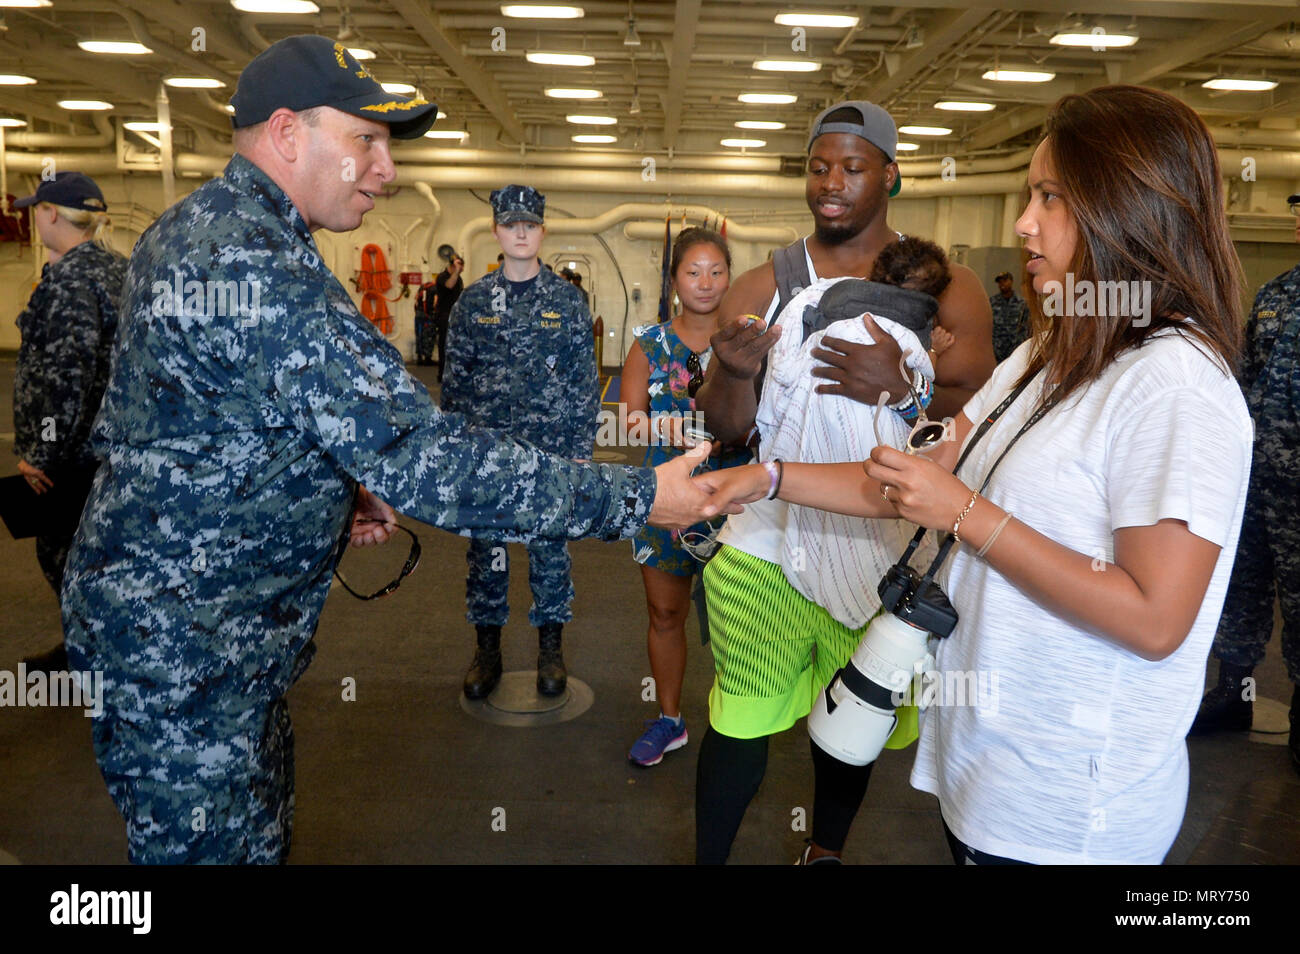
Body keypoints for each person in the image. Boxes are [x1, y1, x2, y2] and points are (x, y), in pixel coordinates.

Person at [60, 35, 733, 865]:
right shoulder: (256, 262)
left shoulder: (195, 226)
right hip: (188, 649)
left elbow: (201, 420)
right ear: (286, 133)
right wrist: (637, 498)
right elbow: (426, 455)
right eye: (365, 141)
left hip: (193, 628)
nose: (385, 169)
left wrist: (329, 482)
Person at [703, 84, 1251, 864]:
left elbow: (1156, 619)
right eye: (1031, 194)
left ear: (1128, 212)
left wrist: (964, 513)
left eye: (1051, 199)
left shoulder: (1174, 387)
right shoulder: (1049, 355)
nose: (1023, 222)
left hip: (1067, 810)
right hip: (990, 773)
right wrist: (761, 480)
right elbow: (908, 478)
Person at [692, 100, 995, 864]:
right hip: (770, 537)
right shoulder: (766, 282)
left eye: (852, 168)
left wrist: (906, 386)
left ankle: (824, 852)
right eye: (818, 166)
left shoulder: (947, 287)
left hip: (882, 545)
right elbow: (726, 427)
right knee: (741, 720)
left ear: (890, 174)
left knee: (849, 725)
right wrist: (732, 369)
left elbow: (981, 408)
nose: (831, 183)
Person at [441, 184, 598, 699]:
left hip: (550, 453)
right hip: (488, 454)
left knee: (550, 549)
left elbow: (582, 381)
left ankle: (550, 649)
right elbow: (455, 381)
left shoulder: (568, 302)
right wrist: (456, 449)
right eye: (512, 225)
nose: (522, 232)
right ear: (496, 231)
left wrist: (580, 451)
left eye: (530, 224)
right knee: (487, 554)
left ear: (543, 230)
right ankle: (488, 650)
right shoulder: (472, 302)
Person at [621, 227, 751, 767]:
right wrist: (668, 431)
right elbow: (628, 422)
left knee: (741, 622)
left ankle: (740, 723)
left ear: (730, 276)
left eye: (716, 271)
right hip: (667, 501)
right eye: (692, 271)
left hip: (738, 503)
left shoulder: (748, 342)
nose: (705, 282)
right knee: (665, 613)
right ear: (674, 278)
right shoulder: (648, 343)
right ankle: (669, 719)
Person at [1191, 190, 1300, 774]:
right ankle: (1233, 692)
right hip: (1257, 481)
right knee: (1241, 587)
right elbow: (1245, 377)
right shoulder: (1276, 294)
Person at [11, 172, 127, 674]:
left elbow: (67, 378)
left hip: (76, 454)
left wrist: (43, 453)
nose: (34, 219)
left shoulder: (70, 281)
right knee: (104, 555)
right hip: (119, 446)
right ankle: (93, 653)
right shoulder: (119, 269)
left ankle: (95, 661)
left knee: (63, 556)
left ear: (51, 214)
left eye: (36, 210)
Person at [432, 254, 463, 381]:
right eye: (459, 266)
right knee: (444, 345)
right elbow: (449, 285)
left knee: (455, 346)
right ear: (452, 266)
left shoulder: (458, 279)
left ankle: (452, 374)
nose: (461, 270)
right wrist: (456, 271)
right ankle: (442, 375)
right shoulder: (442, 277)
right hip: (444, 316)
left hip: (455, 316)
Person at [989, 270, 1030, 363]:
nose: (1002, 284)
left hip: (1015, 350)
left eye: (1004, 280)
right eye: (999, 282)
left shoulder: (1022, 303)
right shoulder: (992, 302)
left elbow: (1026, 326)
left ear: (1011, 281)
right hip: (997, 351)